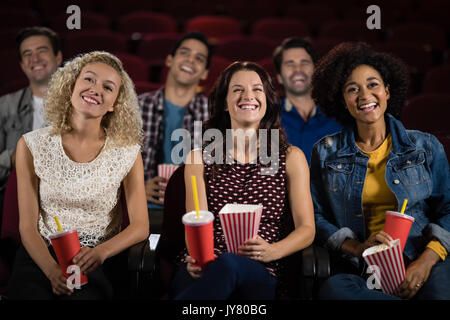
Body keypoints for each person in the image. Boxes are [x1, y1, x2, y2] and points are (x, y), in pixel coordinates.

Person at [310, 42, 450, 300]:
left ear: (387, 90)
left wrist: (426, 261)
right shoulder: (325, 152)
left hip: (420, 260)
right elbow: (316, 218)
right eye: (353, 89)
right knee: (334, 291)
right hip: (361, 268)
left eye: (373, 84)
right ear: (342, 100)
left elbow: (448, 210)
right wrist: (357, 248)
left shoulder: (426, 146)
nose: (365, 95)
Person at [7, 51, 149, 299]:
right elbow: (27, 226)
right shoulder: (30, 145)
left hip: (95, 257)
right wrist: (52, 272)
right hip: (41, 256)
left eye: (108, 87)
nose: (95, 89)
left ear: (115, 103)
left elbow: (140, 226)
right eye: (89, 79)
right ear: (72, 85)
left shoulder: (128, 152)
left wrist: (101, 253)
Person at [171, 61, 315, 299]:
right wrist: (199, 257)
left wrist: (273, 251)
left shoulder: (291, 157)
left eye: (257, 89)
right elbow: (196, 223)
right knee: (218, 269)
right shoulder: (198, 158)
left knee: (229, 265)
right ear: (225, 103)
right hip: (205, 265)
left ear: (267, 100)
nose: (248, 95)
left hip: (261, 268)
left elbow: (307, 229)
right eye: (237, 89)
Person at [139, 32, 211, 207]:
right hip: (141, 208)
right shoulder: (136, 106)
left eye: (199, 58)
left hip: (191, 210)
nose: (190, 60)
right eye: (184, 53)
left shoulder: (213, 115)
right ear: (169, 60)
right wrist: (138, 188)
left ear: (205, 73)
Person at [0, 26, 62, 220]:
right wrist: (13, 158)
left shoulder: (78, 105)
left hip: (64, 197)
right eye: (27, 54)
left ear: (58, 57)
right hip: (14, 198)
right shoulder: (4, 106)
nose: (34, 59)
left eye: (41, 50)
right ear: (22, 64)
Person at [272, 37, 341, 165]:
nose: (298, 69)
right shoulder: (267, 118)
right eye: (289, 64)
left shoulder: (340, 114)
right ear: (280, 77)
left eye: (304, 62)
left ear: (316, 71)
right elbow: (266, 174)